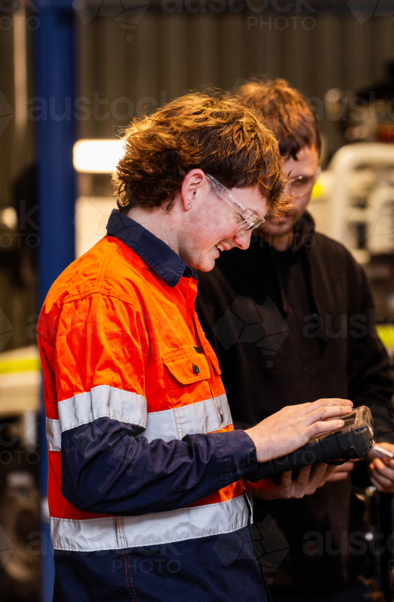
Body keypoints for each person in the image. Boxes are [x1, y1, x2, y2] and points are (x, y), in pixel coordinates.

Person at [38, 91, 353, 602]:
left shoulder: (167, 291)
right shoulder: (105, 297)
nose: (244, 241)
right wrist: (253, 444)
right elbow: (102, 472)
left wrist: (251, 475)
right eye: (244, 219)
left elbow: (169, 455)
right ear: (194, 188)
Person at [196, 79, 394, 601]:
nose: (287, 199)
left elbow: (372, 383)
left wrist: (385, 444)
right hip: (240, 565)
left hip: (337, 565)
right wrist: (272, 461)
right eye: (274, 182)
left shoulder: (340, 268)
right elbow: (196, 425)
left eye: (303, 181)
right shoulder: (206, 272)